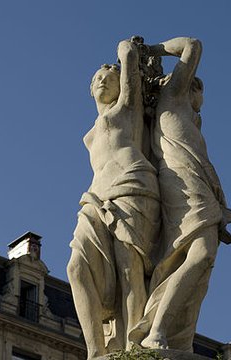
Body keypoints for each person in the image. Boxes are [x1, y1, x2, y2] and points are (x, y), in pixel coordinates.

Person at [129, 37, 231, 352]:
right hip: (184, 187)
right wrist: (151, 51)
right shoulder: (173, 98)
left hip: (195, 189)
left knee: (199, 263)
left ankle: (169, 332)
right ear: (191, 88)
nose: (203, 101)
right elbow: (193, 45)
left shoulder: (188, 117)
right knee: (200, 255)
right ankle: (156, 330)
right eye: (201, 93)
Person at [67, 40, 160, 359]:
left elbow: (129, 59)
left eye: (110, 75)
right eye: (97, 77)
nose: (103, 79)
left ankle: (133, 349)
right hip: (95, 196)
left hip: (132, 184)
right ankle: (96, 351)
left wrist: (127, 51)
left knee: (129, 269)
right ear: (90, 89)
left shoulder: (127, 109)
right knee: (76, 267)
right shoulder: (90, 132)